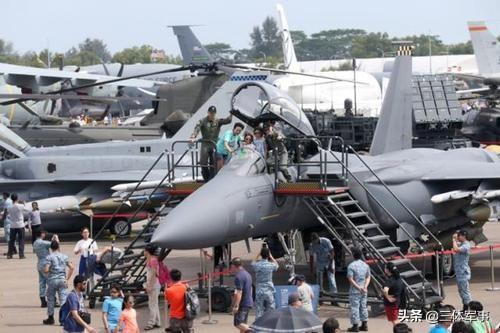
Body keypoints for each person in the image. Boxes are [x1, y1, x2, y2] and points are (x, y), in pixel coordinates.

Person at [190, 105, 232, 181]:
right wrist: (193, 136)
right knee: (203, 162)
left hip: (215, 143)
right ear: (208, 112)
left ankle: (212, 178)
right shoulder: (202, 121)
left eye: (213, 113)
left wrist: (231, 114)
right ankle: (206, 178)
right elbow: (197, 128)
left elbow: (227, 121)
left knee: (214, 161)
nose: (212, 114)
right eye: (211, 113)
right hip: (205, 143)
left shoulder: (218, 121)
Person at [43, 239, 74, 325]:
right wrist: (67, 279)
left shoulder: (49, 257)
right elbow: (72, 267)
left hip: (52, 280)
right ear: (58, 247)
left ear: (51, 248)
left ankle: (50, 318)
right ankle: (63, 320)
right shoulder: (64, 256)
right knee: (63, 300)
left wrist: (45, 270)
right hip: (62, 279)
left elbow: (46, 269)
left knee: (51, 299)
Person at [347, 247, 371, 332]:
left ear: (353, 255)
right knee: (363, 307)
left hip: (355, 291)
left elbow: (350, 279)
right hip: (364, 290)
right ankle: (364, 325)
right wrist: (365, 287)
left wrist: (358, 287)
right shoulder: (365, 265)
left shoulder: (351, 266)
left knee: (355, 308)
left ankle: (355, 326)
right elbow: (368, 277)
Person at [251, 245, 279, 319]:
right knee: (271, 308)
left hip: (259, 289)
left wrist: (258, 255)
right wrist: (271, 256)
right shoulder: (271, 265)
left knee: (259, 309)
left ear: (261, 255)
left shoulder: (257, 265)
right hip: (269, 289)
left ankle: (259, 324)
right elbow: (277, 265)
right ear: (268, 255)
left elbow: (252, 263)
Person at [33, 229, 58, 308]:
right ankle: (53, 300)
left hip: (39, 263)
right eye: (44, 233)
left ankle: (43, 301)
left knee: (42, 283)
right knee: (50, 282)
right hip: (45, 263)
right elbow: (54, 245)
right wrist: (55, 239)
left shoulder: (35, 243)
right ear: (42, 234)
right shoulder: (42, 242)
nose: (45, 235)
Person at [165, 268, 193, 333]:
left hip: (175, 317)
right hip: (186, 315)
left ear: (171, 278)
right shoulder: (186, 287)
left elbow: (168, 299)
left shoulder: (169, 290)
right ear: (180, 277)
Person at [232, 257, 253, 333]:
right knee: (243, 324)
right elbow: (251, 289)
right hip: (248, 302)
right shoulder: (248, 274)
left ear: (234, 266)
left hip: (243, 304)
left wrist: (236, 306)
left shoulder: (238, 277)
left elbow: (239, 292)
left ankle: (253, 331)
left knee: (238, 323)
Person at [453, 229, 472, 311]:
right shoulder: (461, 244)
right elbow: (457, 245)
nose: (458, 237)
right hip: (459, 272)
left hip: (463, 273)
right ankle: (465, 307)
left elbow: (456, 249)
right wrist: (455, 239)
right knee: (461, 291)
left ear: (463, 236)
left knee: (465, 292)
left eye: (459, 235)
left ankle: (470, 308)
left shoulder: (466, 245)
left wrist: (454, 240)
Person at [143, 244, 161, 330]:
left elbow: (154, 274)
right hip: (153, 283)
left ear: (148, 251)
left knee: (152, 304)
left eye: (145, 250)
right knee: (154, 303)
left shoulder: (153, 260)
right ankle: (157, 321)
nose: (144, 252)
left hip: (154, 284)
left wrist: (149, 286)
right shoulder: (151, 259)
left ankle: (151, 323)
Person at [383, 262, 405, 326]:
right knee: (396, 319)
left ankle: (401, 330)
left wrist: (388, 297)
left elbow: (385, 290)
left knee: (394, 321)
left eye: (385, 268)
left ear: (388, 270)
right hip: (397, 302)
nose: (384, 269)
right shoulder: (398, 278)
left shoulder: (390, 280)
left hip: (391, 304)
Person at [7, 193, 26, 259]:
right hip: (20, 225)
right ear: (17, 198)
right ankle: (21, 255)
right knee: (21, 240)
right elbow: (24, 205)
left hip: (12, 225)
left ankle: (9, 254)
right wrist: (21, 202)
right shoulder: (20, 206)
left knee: (11, 240)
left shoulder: (9, 207)